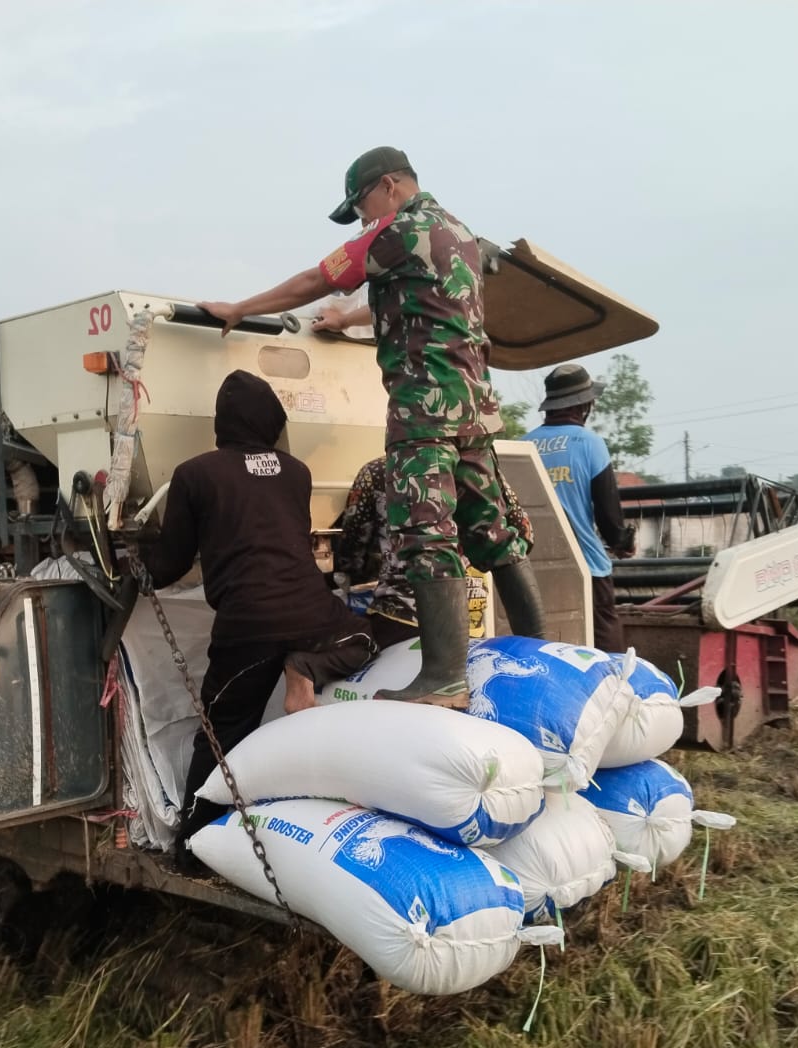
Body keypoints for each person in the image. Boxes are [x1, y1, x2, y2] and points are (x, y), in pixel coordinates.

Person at [200, 145, 543, 709]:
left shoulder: (397, 230)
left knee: (426, 533)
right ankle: (537, 652)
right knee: (491, 528)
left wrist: (240, 308)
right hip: (473, 406)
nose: (362, 217)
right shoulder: (456, 233)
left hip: (423, 410)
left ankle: (443, 678)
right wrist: (349, 319)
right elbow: (415, 295)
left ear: (389, 185)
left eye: (361, 204)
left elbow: (315, 279)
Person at [135, 369, 375, 859]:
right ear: (271, 421)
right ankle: (303, 665)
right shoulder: (297, 472)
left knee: (221, 735)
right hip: (313, 612)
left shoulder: (195, 474)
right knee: (367, 638)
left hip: (247, 626)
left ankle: (193, 846)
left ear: (222, 422)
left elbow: (170, 566)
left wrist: (136, 559)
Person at [335, 454, 531, 648]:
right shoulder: (481, 471)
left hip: (401, 620)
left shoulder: (377, 471)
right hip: (468, 619)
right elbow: (524, 532)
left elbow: (351, 552)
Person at [521, 363, 636, 652]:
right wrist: (621, 542)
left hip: (533, 564)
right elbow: (607, 511)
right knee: (603, 631)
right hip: (585, 564)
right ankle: (614, 688)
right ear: (584, 404)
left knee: (544, 638)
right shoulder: (589, 443)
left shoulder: (524, 444)